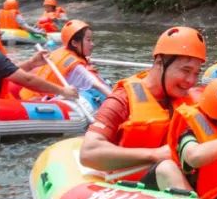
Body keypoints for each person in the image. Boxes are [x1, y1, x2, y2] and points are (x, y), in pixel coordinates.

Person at [80, 26, 206, 190]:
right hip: (132, 190)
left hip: (181, 187)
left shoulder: (193, 101)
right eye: (186, 70)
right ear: (160, 62)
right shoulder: (122, 99)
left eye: (196, 73)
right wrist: (154, 155)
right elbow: (88, 153)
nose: (191, 80)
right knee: (166, 168)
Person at [20, 20, 111, 100]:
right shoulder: (76, 67)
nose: (92, 44)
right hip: (41, 102)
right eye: (88, 40)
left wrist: (85, 62)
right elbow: (99, 86)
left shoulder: (60, 53)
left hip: (26, 96)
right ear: (74, 43)